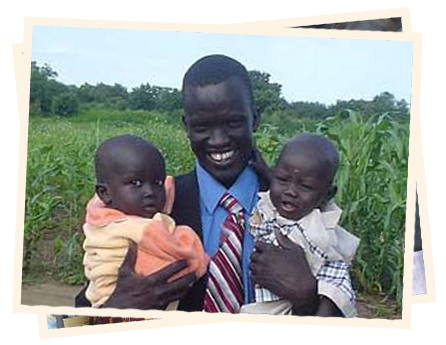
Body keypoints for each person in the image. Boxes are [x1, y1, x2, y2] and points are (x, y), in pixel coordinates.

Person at [76, 54, 355, 317]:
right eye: (202, 127)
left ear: (254, 120)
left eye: (233, 122)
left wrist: (306, 298)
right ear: (186, 126)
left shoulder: (303, 211)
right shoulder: (154, 206)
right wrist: (117, 307)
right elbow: (74, 321)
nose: (219, 140)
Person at [81, 135, 208, 308]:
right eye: (135, 183)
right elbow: (77, 318)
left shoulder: (100, 218)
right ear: (105, 193)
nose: (150, 192)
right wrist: (112, 311)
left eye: (157, 182)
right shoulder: (139, 226)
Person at [240, 134, 359, 317]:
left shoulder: (319, 230)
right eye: (282, 179)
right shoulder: (270, 207)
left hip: (286, 309)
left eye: (305, 186)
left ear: (327, 195)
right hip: (260, 305)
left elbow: (335, 281)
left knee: (335, 292)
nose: (290, 192)